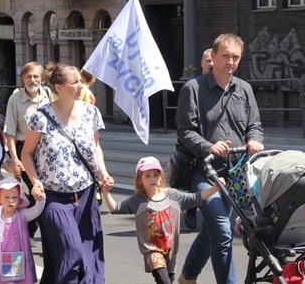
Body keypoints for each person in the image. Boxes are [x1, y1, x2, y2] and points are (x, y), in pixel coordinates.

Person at [176, 33, 264, 284]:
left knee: (212, 230)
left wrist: (254, 139)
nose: (230, 61)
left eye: (235, 57)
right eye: (225, 56)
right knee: (223, 232)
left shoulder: (245, 89)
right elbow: (184, 131)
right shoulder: (193, 89)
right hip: (203, 172)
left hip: (234, 172)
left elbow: (255, 125)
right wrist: (208, 146)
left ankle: (187, 276)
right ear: (212, 57)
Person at [22, 62, 114, 284]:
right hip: (54, 198)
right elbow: (27, 153)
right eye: (74, 83)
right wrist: (35, 182)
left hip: (86, 194)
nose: (80, 86)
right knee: (71, 254)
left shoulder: (91, 112)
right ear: (58, 87)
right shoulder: (40, 116)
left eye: (80, 82)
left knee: (90, 259)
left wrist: (103, 173)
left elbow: (95, 146)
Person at [103, 156, 222, 284]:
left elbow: (194, 198)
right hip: (152, 251)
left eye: (155, 175)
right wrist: (105, 192)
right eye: (147, 176)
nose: (152, 179)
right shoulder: (139, 200)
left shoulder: (172, 195)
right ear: (139, 180)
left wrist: (213, 189)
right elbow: (116, 208)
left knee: (168, 280)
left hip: (170, 250)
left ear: (161, 177)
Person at [4, 62, 52, 246]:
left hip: (47, 152)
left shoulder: (47, 95)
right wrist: (15, 160)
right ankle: (30, 230)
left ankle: (34, 230)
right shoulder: (15, 100)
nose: (32, 80)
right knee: (35, 191)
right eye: (29, 77)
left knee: (46, 192)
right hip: (26, 152)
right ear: (22, 79)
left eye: (36, 76)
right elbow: (10, 133)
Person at [0, 177, 45, 284]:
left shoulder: (22, 215)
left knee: (20, 279)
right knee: (2, 279)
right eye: (6, 197)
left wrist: (40, 200)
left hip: (19, 257)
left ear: (20, 200)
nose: (11, 200)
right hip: (0, 258)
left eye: (15, 197)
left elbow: (36, 211)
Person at [184, 47, 215, 230]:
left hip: (216, 149)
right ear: (202, 64)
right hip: (196, 147)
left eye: (213, 60)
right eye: (207, 60)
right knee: (191, 177)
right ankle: (191, 208)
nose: (211, 63)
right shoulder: (193, 87)